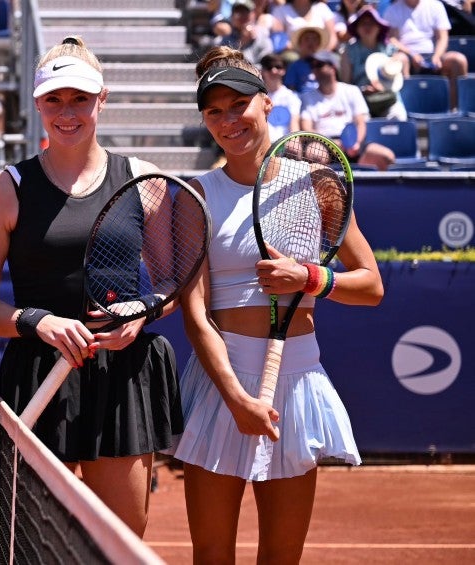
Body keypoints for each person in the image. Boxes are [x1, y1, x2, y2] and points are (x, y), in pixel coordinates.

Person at [172, 45, 384, 563]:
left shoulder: (317, 185)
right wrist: (236, 399)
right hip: (222, 386)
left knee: (282, 557)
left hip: (298, 384)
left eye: (238, 104)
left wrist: (310, 277)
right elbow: (196, 316)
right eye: (213, 111)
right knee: (212, 555)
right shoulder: (195, 196)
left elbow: (371, 284)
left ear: (266, 103)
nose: (228, 120)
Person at [0, 36, 183, 538]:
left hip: (123, 375)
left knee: (121, 539)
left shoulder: (144, 179)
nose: (67, 113)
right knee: (40, 542)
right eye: (54, 100)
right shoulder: (4, 189)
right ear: (38, 103)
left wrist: (142, 314)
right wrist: (38, 322)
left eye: (80, 99)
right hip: (39, 372)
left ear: (101, 99)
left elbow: (173, 282)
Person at [301, 50, 396, 170]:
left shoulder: (352, 91)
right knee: (314, 154)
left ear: (333, 67)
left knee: (386, 156)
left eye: (319, 65)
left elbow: (360, 122)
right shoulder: (307, 97)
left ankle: (371, 187)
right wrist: (331, 143)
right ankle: (323, 188)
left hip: (352, 142)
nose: (315, 70)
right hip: (324, 143)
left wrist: (357, 143)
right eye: (313, 66)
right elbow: (307, 129)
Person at [385, 0, 468, 109]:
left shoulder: (436, 6)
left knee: (458, 60)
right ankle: (405, 109)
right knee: (399, 60)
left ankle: (453, 110)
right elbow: (393, 39)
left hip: (433, 55)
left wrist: (437, 56)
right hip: (406, 56)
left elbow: (442, 37)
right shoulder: (393, 10)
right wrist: (412, 54)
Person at [340, 5, 407, 120]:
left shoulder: (389, 48)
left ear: (378, 27)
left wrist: (384, 85)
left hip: (388, 99)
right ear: (357, 28)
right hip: (360, 101)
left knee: (398, 116)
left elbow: (401, 66)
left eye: (371, 23)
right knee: (361, 123)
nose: (367, 27)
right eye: (363, 24)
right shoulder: (348, 51)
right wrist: (363, 90)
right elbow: (346, 84)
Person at [214, 0, 274, 64]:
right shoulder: (223, 40)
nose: (242, 16)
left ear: (254, 14)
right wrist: (241, 43)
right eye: (238, 12)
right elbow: (221, 64)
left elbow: (267, 64)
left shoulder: (262, 34)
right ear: (231, 16)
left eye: (246, 12)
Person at [259, 53, 301, 141]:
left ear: (284, 71)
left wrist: (294, 142)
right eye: (269, 67)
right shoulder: (256, 97)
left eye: (278, 67)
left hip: (286, 144)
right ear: (262, 71)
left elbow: (294, 125)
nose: (274, 70)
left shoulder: (292, 97)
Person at [283, 25, 328, 93]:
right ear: (300, 43)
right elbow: (290, 90)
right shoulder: (294, 66)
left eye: (315, 39)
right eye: (307, 39)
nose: (311, 42)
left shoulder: (326, 65)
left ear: (319, 43)